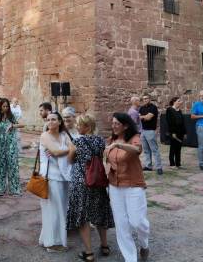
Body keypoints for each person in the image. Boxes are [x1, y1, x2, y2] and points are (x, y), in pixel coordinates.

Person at [66, 115, 114, 262]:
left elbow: (69, 159)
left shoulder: (78, 141)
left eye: (79, 125)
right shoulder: (100, 140)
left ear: (87, 127)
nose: (77, 127)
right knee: (99, 212)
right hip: (97, 181)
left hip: (81, 182)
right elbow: (101, 157)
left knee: (82, 217)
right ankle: (105, 246)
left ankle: (89, 253)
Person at [106, 112, 150, 262]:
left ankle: (144, 244)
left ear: (125, 125)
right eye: (112, 123)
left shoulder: (134, 138)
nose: (113, 126)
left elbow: (137, 150)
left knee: (137, 221)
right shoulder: (110, 139)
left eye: (116, 123)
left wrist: (119, 144)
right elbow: (107, 159)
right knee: (121, 224)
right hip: (114, 186)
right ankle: (130, 258)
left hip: (133, 184)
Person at [38, 111, 75, 252]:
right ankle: (53, 244)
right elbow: (56, 152)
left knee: (61, 209)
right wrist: (67, 149)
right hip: (50, 177)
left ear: (60, 122)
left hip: (64, 176)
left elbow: (72, 150)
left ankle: (46, 239)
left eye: (53, 119)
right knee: (53, 210)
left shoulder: (64, 135)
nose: (50, 122)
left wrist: (63, 150)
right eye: (48, 119)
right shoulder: (44, 135)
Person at [0, 98, 22, 196]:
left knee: (13, 166)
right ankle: (1, 189)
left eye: (7, 106)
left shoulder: (12, 116)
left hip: (11, 144)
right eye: (3, 106)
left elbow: (22, 125)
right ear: (0, 106)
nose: (5, 108)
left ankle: (14, 189)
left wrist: (13, 126)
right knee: (1, 166)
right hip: (0, 144)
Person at [138, 94, 161, 174]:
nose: (145, 100)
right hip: (143, 131)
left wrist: (143, 117)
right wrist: (145, 116)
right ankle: (148, 166)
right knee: (146, 150)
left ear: (149, 99)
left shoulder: (153, 107)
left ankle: (159, 167)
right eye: (143, 99)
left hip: (151, 131)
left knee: (154, 149)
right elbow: (140, 117)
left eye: (146, 98)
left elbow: (149, 118)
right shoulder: (141, 108)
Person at [165, 97, 186, 168]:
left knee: (178, 148)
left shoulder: (179, 110)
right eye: (179, 101)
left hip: (180, 132)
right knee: (173, 148)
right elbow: (170, 122)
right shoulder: (169, 110)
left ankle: (178, 163)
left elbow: (183, 122)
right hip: (173, 132)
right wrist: (173, 132)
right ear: (174, 102)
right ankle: (172, 163)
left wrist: (185, 132)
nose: (181, 102)